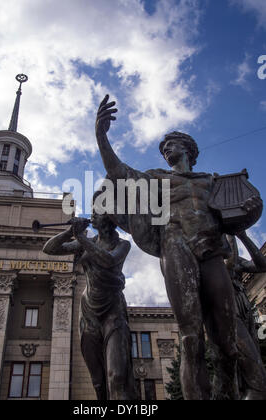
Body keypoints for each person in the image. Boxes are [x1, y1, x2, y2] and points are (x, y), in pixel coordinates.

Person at [94, 95, 262, 400]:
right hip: (176, 245)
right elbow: (119, 172)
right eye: (163, 148)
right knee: (190, 336)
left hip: (211, 249)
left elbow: (237, 216)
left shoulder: (213, 181)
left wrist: (252, 211)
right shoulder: (158, 179)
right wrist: (101, 135)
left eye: (170, 145)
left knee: (228, 331)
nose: (165, 150)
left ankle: (247, 389)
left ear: (188, 149)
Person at [43, 204, 136, 400]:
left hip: (112, 309)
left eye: (96, 213)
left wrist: (82, 238)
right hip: (88, 312)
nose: (92, 216)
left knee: (116, 375)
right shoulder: (86, 242)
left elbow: (109, 261)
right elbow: (49, 249)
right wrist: (69, 232)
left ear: (110, 219)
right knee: (98, 381)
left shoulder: (123, 244)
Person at [223, 229, 266, 400]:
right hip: (227, 310)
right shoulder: (211, 264)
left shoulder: (237, 262)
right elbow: (229, 263)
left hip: (244, 309)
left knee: (254, 359)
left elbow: (262, 265)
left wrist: (244, 236)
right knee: (242, 363)